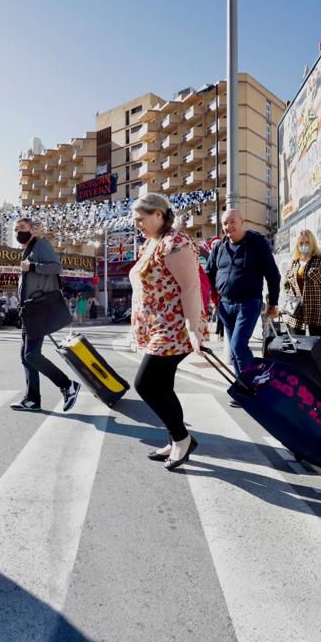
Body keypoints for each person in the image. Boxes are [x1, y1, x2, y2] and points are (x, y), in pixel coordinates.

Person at [129, 193, 208, 471]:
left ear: (159, 215)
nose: (137, 224)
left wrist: (193, 328)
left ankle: (182, 439)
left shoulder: (176, 243)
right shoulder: (151, 243)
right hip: (158, 326)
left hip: (175, 327)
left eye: (141, 218)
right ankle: (175, 440)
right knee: (162, 386)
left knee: (146, 384)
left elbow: (190, 288)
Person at [10, 217, 81, 412]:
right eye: (16, 229)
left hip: (39, 309)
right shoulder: (28, 250)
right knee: (25, 357)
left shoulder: (40, 245)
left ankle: (67, 385)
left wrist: (32, 267)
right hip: (29, 311)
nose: (18, 232)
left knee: (32, 355)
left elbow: (57, 267)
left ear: (32, 230)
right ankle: (32, 399)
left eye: (22, 228)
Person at [206, 209, 281, 382]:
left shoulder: (257, 243)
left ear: (242, 222)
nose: (228, 226)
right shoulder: (219, 247)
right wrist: (210, 297)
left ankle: (255, 378)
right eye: (225, 223)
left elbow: (272, 274)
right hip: (224, 305)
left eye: (232, 221)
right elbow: (208, 273)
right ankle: (244, 386)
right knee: (235, 349)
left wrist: (273, 303)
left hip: (248, 303)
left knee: (238, 346)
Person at [282, 229, 321, 338]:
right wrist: (290, 298)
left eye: (307, 243)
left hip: (317, 308)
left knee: (316, 344)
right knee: (297, 344)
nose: (304, 245)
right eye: (301, 243)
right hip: (296, 310)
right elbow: (286, 285)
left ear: (312, 243)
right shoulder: (294, 263)